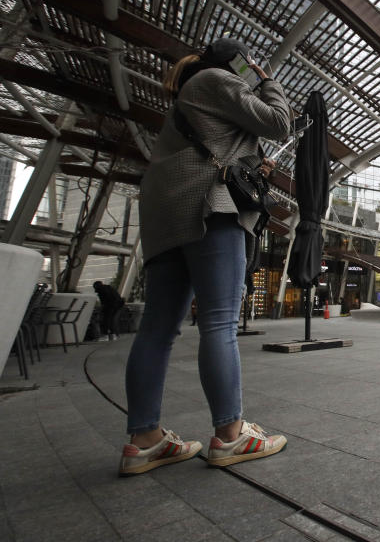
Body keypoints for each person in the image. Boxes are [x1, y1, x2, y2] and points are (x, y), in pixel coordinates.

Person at [120, 38, 291, 477]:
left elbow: (227, 144)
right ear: (233, 65)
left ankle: (145, 440)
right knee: (217, 321)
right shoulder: (215, 80)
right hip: (209, 210)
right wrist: (270, 83)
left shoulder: (187, 99)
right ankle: (232, 436)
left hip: (165, 217)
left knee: (157, 330)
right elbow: (278, 123)